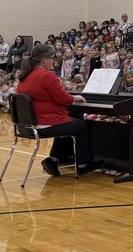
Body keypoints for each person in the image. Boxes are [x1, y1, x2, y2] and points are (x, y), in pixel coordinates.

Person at [15, 43, 93, 177]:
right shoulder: (46, 76)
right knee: (80, 126)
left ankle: (53, 160)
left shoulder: (25, 76)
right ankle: (83, 164)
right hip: (44, 123)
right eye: (52, 57)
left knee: (68, 123)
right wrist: (76, 97)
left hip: (25, 125)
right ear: (44, 60)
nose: (54, 61)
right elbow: (63, 99)